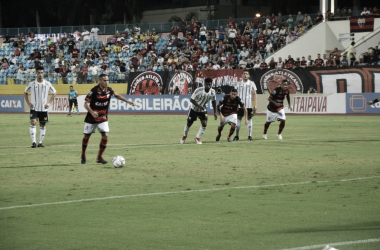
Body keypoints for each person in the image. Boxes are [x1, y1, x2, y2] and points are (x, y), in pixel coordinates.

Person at [81, 74, 135, 164]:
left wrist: (128, 101)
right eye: (104, 80)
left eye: (107, 80)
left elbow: (117, 95)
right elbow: (85, 103)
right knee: (87, 136)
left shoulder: (109, 90)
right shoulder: (94, 90)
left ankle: (99, 157)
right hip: (92, 118)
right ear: (100, 81)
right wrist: (92, 112)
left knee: (105, 135)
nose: (106, 82)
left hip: (103, 117)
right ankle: (83, 155)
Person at [24, 66, 57, 148]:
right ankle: (33, 142)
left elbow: (54, 92)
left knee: (42, 124)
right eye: (39, 72)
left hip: (44, 108)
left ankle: (40, 143)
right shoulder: (31, 84)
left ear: (43, 73)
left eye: (42, 72)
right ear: (36, 73)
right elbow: (25, 92)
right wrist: (28, 103)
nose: (40, 74)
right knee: (33, 122)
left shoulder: (47, 84)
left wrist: (49, 102)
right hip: (34, 107)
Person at [180, 78, 217, 145]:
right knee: (189, 124)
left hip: (203, 110)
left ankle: (197, 137)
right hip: (194, 109)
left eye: (210, 84)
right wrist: (199, 106)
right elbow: (191, 99)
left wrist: (215, 112)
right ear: (204, 84)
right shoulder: (199, 90)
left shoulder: (213, 92)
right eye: (207, 84)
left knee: (204, 124)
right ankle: (184, 136)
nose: (208, 86)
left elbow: (214, 102)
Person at [233, 70, 257, 141]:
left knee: (249, 119)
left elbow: (255, 94)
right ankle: (236, 136)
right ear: (242, 75)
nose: (245, 75)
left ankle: (249, 136)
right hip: (240, 105)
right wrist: (235, 104)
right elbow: (235, 94)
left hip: (249, 105)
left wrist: (255, 104)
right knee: (238, 120)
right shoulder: (238, 83)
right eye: (244, 74)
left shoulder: (252, 83)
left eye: (247, 74)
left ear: (249, 75)